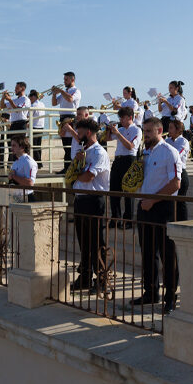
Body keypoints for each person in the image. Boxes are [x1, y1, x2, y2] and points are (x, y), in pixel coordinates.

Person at [134, 117, 181, 313]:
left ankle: (170, 297)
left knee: (167, 255)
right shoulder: (145, 152)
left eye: (149, 131)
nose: (145, 135)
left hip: (162, 208)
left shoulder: (169, 152)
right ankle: (150, 292)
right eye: (144, 131)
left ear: (160, 130)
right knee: (148, 253)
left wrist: (153, 200)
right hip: (144, 207)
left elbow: (175, 184)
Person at [68, 118, 111, 293]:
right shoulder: (83, 151)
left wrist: (74, 172)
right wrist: (77, 166)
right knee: (84, 242)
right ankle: (85, 277)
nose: (77, 136)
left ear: (87, 133)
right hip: (81, 200)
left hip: (94, 201)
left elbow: (87, 177)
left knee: (96, 243)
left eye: (79, 132)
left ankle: (102, 280)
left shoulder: (99, 153)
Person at [109, 107, 142, 225]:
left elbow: (130, 146)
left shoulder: (137, 130)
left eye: (123, 117)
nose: (121, 120)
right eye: (120, 118)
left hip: (129, 160)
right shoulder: (121, 129)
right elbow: (107, 138)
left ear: (130, 117)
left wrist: (117, 133)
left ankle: (127, 219)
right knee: (114, 190)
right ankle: (115, 217)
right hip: (117, 160)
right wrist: (109, 130)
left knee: (128, 191)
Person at [50, 71, 81, 173]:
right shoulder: (65, 92)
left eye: (66, 79)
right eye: (64, 79)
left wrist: (61, 91)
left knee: (70, 145)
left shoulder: (76, 91)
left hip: (70, 117)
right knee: (65, 144)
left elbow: (70, 99)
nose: (64, 81)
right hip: (62, 118)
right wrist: (54, 94)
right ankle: (66, 167)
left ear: (72, 80)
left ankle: (70, 168)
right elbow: (54, 103)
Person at [166, 119, 190, 222]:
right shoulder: (166, 141)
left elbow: (177, 155)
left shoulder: (183, 141)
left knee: (180, 202)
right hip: (168, 173)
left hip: (180, 173)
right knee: (169, 202)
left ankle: (183, 224)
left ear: (178, 129)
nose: (168, 130)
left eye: (171, 128)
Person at [8, 135, 38, 203]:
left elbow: (30, 183)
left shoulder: (28, 162)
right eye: (11, 145)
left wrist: (13, 176)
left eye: (14, 146)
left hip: (26, 197)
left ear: (22, 147)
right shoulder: (15, 162)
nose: (11, 148)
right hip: (16, 197)